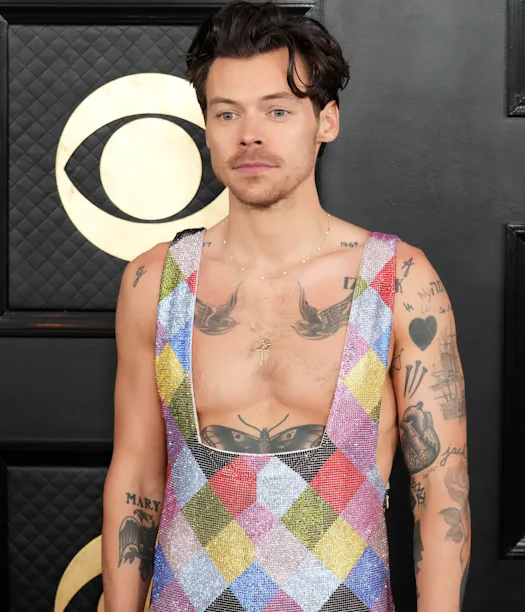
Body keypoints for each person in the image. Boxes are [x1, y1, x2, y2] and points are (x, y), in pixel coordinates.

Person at [102, 2, 470, 611]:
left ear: (326, 121)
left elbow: (441, 490)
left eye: (277, 111)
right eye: (227, 113)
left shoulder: (400, 280)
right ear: (207, 128)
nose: (250, 134)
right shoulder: (153, 281)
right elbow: (136, 476)